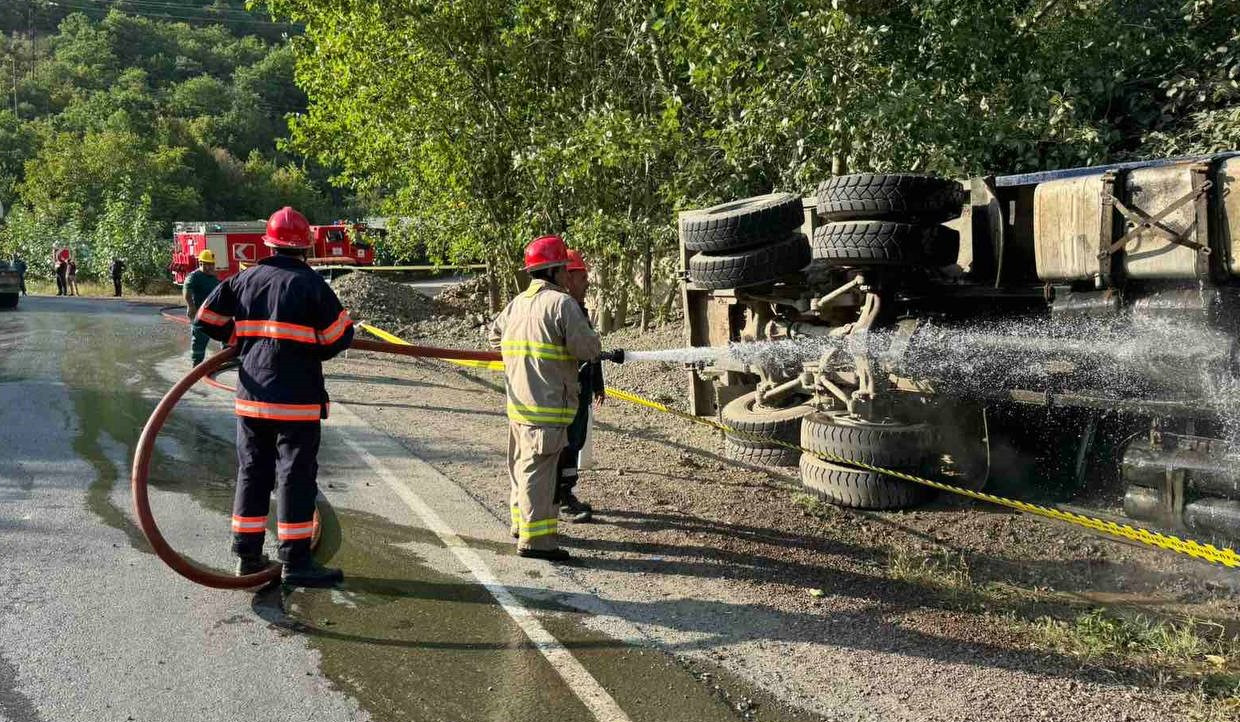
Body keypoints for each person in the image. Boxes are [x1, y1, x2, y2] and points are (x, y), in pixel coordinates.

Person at [195, 206, 355, 587]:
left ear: (268, 243)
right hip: (296, 400)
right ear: (306, 248)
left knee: (253, 472)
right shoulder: (312, 285)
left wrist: (239, 340)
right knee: (294, 477)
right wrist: (309, 348)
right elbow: (338, 336)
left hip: (252, 397)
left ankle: (246, 556)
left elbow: (205, 318)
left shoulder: (244, 279)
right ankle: (296, 560)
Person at [488, 235, 604, 561]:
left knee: (520, 468)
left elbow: (494, 336)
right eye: (565, 269)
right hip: (548, 408)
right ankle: (537, 543)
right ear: (553, 271)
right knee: (539, 474)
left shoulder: (516, 304)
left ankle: (520, 525)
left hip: (519, 405)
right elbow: (588, 349)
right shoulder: (562, 304)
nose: (569, 276)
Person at [556, 249, 605, 523]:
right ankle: (561, 499)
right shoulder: (563, 311)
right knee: (566, 445)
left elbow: (592, 353)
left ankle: (566, 493)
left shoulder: (578, 311)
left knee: (576, 442)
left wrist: (598, 385)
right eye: (582, 276)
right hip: (566, 395)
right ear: (567, 278)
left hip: (580, 393)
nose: (587, 282)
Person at [183, 250, 221, 366]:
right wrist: (191, 306)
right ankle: (197, 364)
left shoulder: (213, 277)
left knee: (225, 332)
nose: (210, 267)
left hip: (213, 313)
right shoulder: (194, 276)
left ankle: (227, 357)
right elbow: (186, 290)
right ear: (201, 263)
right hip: (200, 314)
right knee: (200, 339)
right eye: (207, 264)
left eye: (212, 264)